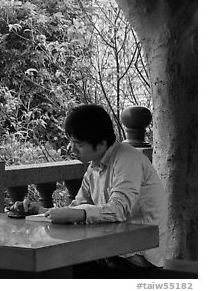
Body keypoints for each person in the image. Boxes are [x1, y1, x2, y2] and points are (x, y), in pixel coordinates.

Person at [12, 104, 168, 278]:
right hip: (110, 249)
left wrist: (76, 214)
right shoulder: (94, 166)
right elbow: (76, 209)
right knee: (44, 268)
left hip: (137, 256)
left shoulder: (128, 160)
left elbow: (119, 210)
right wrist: (39, 211)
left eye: (78, 144)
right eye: (71, 142)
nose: (72, 149)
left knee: (56, 271)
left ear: (101, 143)